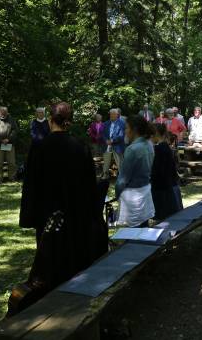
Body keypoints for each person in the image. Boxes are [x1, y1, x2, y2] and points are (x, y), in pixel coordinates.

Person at [19, 102, 107, 304]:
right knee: (74, 258)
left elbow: (31, 186)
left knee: (49, 259)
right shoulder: (80, 147)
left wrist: (30, 216)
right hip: (75, 215)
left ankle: (51, 298)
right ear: (70, 122)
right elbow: (89, 186)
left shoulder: (40, 148)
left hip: (48, 216)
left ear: (50, 120)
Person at [115, 116, 155, 227]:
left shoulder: (132, 149)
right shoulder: (149, 144)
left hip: (133, 196)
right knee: (143, 229)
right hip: (145, 191)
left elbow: (122, 180)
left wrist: (117, 194)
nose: (125, 131)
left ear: (135, 129)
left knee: (133, 235)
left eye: (127, 128)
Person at [151, 124, 183, 220]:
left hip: (163, 187)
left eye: (152, 134)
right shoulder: (165, 147)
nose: (151, 137)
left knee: (166, 215)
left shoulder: (160, 149)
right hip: (169, 183)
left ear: (156, 134)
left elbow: (158, 170)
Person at [0, 106, 19, 184]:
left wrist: (8, 139)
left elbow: (15, 130)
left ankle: (12, 178)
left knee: (11, 162)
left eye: (5, 112)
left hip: (9, 144)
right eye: (1, 112)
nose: (3, 114)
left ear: (7, 112)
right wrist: (1, 140)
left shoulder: (11, 120)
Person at [102, 109, 126, 179]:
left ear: (117, 115)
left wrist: (112, 140)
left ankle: (122, 176)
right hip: (107, 145)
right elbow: (103, 134)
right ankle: (105, 175)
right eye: (110, 114)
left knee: (120, 162)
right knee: (106, 161)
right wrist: (106, 140)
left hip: (117, 145)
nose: (111, 115)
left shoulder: (122, 123)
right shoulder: (105, 123)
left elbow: (121, 135)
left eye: (113, 114)